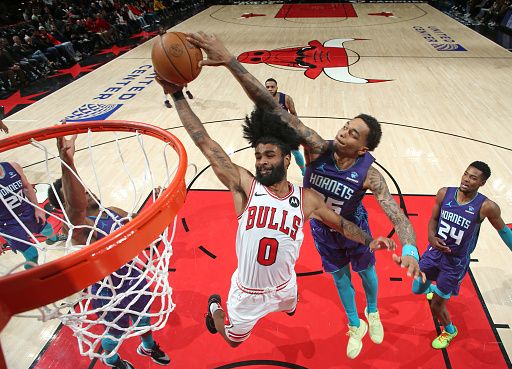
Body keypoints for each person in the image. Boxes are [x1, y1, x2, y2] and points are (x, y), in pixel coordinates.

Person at [187, 32, 422, 359]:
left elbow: (397, 215)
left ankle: (372, 312)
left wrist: (410, 247)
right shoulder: (314, 146)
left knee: (367, 272)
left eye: (353, 133)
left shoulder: (370, 174)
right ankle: (355, 324)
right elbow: (270, 107)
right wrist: (230, 61)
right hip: (321, 226)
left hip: (350, 221)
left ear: (363, 147)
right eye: (345, 126)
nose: (343, 132)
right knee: (340, 277)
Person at [157, 75, 396, 349]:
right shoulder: (246, 186)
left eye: (269, 155)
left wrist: (369, 240)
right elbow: (204, 142)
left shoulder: (306, 199)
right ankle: (215, 311)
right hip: (247, 294)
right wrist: (177, 96)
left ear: (286, 159)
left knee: (292, 304)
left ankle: (308, 306)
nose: (262, 162)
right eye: (258, 156)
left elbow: (341, 224)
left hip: (285, 286)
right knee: (233, 341)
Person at [48, 136, 170, 369]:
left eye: (82, 184)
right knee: (116, 330)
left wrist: (159, 206)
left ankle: (147, 347)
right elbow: (76, 208)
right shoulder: (77, 229)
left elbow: (144, 230)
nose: (83, 189)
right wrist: (67, 162)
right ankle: (111, 358)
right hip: (107, 290)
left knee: (145, 315)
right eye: (75, 190)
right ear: (66, 204)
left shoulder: (112, 210)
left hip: (132, 275)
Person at [408, 161, 512, 349]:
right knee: (417, 289)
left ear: (482, 183)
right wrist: (430, 237)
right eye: (466, 174)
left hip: (455, 263)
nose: (467, 180)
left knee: (437, 306)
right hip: (434, 253)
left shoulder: (486, 207)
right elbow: (433, 219)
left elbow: (504, 231)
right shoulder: (444, 193)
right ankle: (435, 291)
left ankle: (450, 330)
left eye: (473, 178)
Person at [0, 161, 64, 269]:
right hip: (7, 224)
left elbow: (26, 187)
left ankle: (53, 239)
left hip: (25, 210)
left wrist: (37, 208)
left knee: (47, 229)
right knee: (32, 254)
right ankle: (33, 276)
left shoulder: (12, 166)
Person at [265, 77, 306, 177]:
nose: (270, 89)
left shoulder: (286, 98)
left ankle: (304, 171)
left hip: (286, 130)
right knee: (270, 154)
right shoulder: (262, 99)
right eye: (267, 87)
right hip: (272, 131)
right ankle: (272, 174)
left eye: (272, 87)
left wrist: (295, 128)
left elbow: (294, 114)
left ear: (277, 87)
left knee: (296, 152)